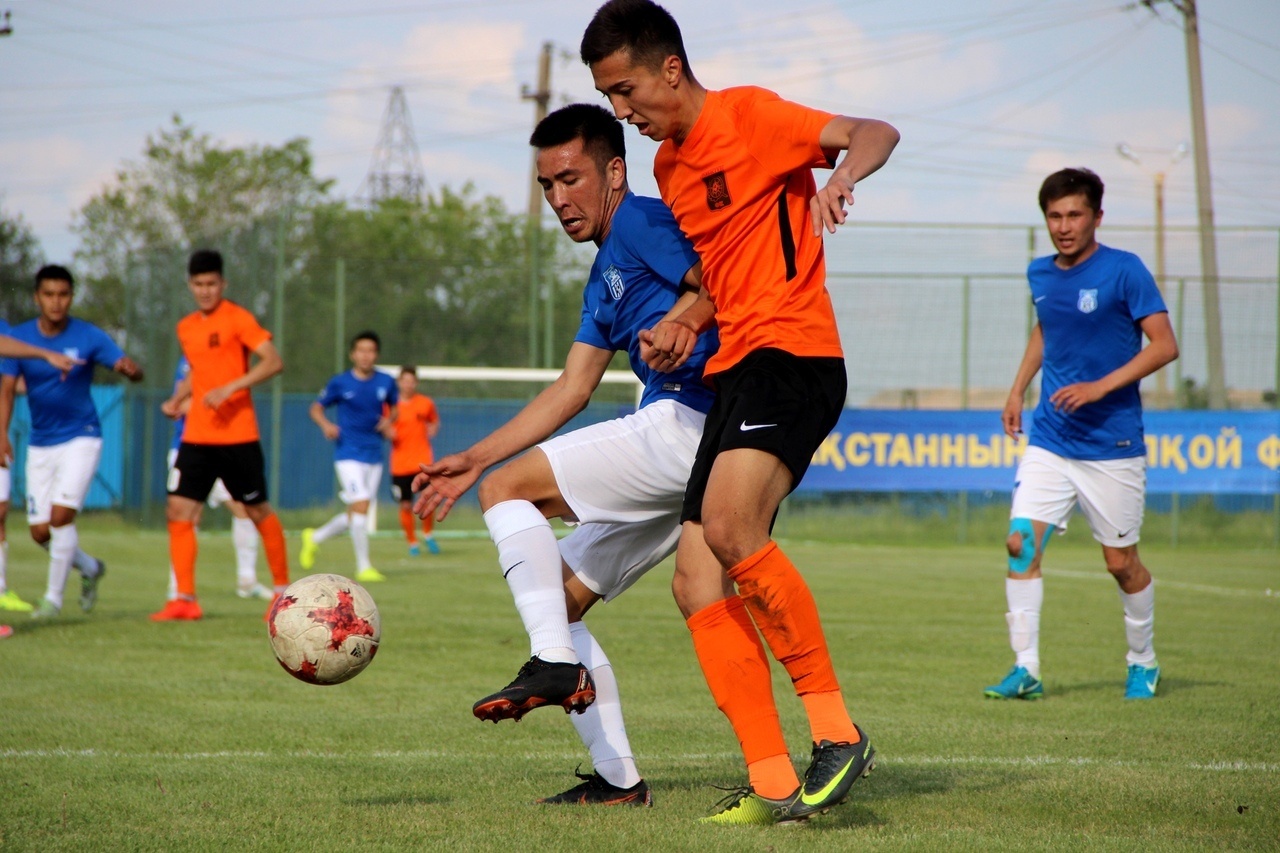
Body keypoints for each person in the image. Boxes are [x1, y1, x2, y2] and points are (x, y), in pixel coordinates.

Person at [582, 0, 900, 824]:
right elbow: (721, 276)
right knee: (695, 582)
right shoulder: (669, 168)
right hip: (735, 369)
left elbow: (874, 130)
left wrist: (841, 177)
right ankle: (772, 780)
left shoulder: (751, 116)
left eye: (625, 89)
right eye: (608, 95)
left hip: (794, 355)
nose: (620, 110)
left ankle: (837, 730)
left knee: (730, 528)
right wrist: (686, 321)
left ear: (670, 69)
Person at [414, 102, 716, 806]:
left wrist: (682, 321)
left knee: (506, 491)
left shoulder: (639, 221)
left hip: (694, 419)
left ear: (615, 173)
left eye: (571, 179)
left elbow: (715, 277)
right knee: (559, 597)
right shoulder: (601, 276)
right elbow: (571, 389)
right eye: (547, 185)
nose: (558, 198)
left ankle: (552, 663)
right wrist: (473, 457)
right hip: (687, 446)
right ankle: (618, 781)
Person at [986, 167, 1178, 702]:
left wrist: (1099, 387)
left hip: (1112, 446)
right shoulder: (1040, 274)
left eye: (1075, 214)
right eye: (1055, 216)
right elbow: (1048, 328)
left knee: (1121, 564)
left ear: (1097, 216)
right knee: (1020, 544)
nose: (1064, 226)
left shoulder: (1124, 270)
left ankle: (1143, 661)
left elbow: (1165, 345)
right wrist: (1017, 390)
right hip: (1051, 439)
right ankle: (1026, 669)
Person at [153, 249, 291, 621]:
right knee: (178, 510)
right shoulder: (186, 327)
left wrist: (231, 387)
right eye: (198, 284)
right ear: (190, 285)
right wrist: (178, 398)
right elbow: (198, 371)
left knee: (256, 510)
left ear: (223, 283)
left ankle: (282, 594)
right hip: (197, 436)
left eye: (211, 283)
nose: (205, 290)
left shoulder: (238, 318)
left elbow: (273, 361)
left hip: (238, 436)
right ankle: (184, 599)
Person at [0, 265, 144, 619]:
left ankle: (52, 601)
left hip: (82, 435)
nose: (56, 301)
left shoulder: (89, 335)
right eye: (49, 294)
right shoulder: (19, 338)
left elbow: (129, 367)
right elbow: (6, 390)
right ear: (37, 297)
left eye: (63, 294)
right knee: (39, 532)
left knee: (61, 516)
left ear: (71, 297)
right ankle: (91, 567)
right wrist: (1, 433)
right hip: (40, 443)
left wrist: (130, 369)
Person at [162, 356, 272, 602]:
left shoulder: (231, 360)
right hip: (191, 448)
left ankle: (247, 581)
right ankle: (178, 588)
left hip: (226, 447)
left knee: (244, 508)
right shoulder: (193, 358)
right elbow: (183, 404)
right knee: (188, 517)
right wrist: (216, 400)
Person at [299, 332, 397, 584]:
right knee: (361, 504)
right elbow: (316, 408)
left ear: (376, 354)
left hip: (374, 454)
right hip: (348, 453)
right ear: (353, 354)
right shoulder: (340, 382)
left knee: (357, 512)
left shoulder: (386, 381)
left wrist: (388, 422)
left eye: (371, 350)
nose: (366, 355)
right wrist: (326, 425)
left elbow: (395, 407)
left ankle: (314, 537)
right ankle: (364, 566)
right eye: (361, 350)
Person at [0, 319, 80, 613]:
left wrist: (44, 357)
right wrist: (46, 354)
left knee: (1, 511)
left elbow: (6, 354)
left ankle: (0, 589)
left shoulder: (7, 330)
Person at [388, 366, 440, 556]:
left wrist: (433, 428)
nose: (408, 384)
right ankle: (412, 542)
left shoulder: (425, 403)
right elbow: (383, 425)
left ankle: (428, 534)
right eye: (405, 381)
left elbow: (434, 421)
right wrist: (387, 431)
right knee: (406, 505)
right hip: (400, 465)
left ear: (415, 383)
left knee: (427, 500)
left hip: (422, 462)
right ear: (399, 382)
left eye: (411, 381)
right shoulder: (391, 406)